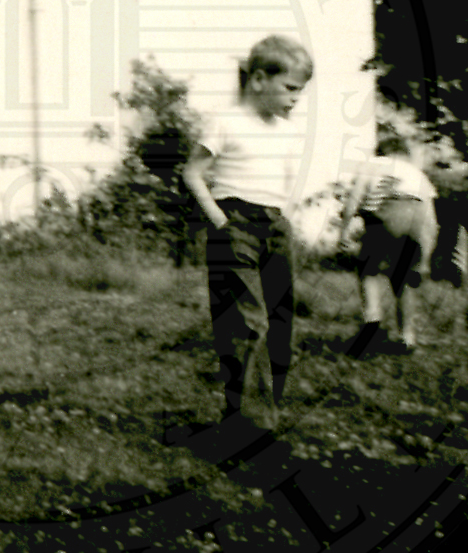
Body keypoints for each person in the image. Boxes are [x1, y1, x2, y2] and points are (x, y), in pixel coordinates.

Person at [182, 36, 313, 431]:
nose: (296, 98)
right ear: (258, 80)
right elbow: (192, 172)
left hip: (275, 225)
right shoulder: (227, 122)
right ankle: (250, 420)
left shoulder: (289, 131)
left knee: (281, 318)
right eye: (290, 88)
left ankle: (266, 404)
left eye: (300, 91)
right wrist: (219, 220)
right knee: (247, 320)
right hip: (235, 223)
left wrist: (286, 219)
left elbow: (284, 184)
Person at [338, 137, 438, 356]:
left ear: (381, 152)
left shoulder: (371, 165)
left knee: (367, 265)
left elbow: (353, 202)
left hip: (389, 212)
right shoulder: (417, 173)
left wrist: (344, 232)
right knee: (403, 279)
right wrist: (425, 257)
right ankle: (407, 337)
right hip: (418, 219)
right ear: (404, 154)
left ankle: (373, 317)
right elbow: (431, 219)